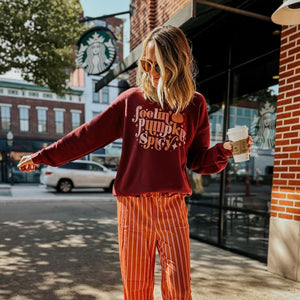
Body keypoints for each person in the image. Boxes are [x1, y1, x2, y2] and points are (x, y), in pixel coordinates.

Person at [18, 25, 252, 300]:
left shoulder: (194, 105)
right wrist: (42, 156)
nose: (152, 73)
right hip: (133, 206)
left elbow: (198, 161)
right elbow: (86, 137)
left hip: (172, 206)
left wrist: (223, 150)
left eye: (161, 67)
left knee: (179, 290)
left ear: (179, 66)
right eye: (146, 64)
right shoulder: (131, 101)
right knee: (137, 289)